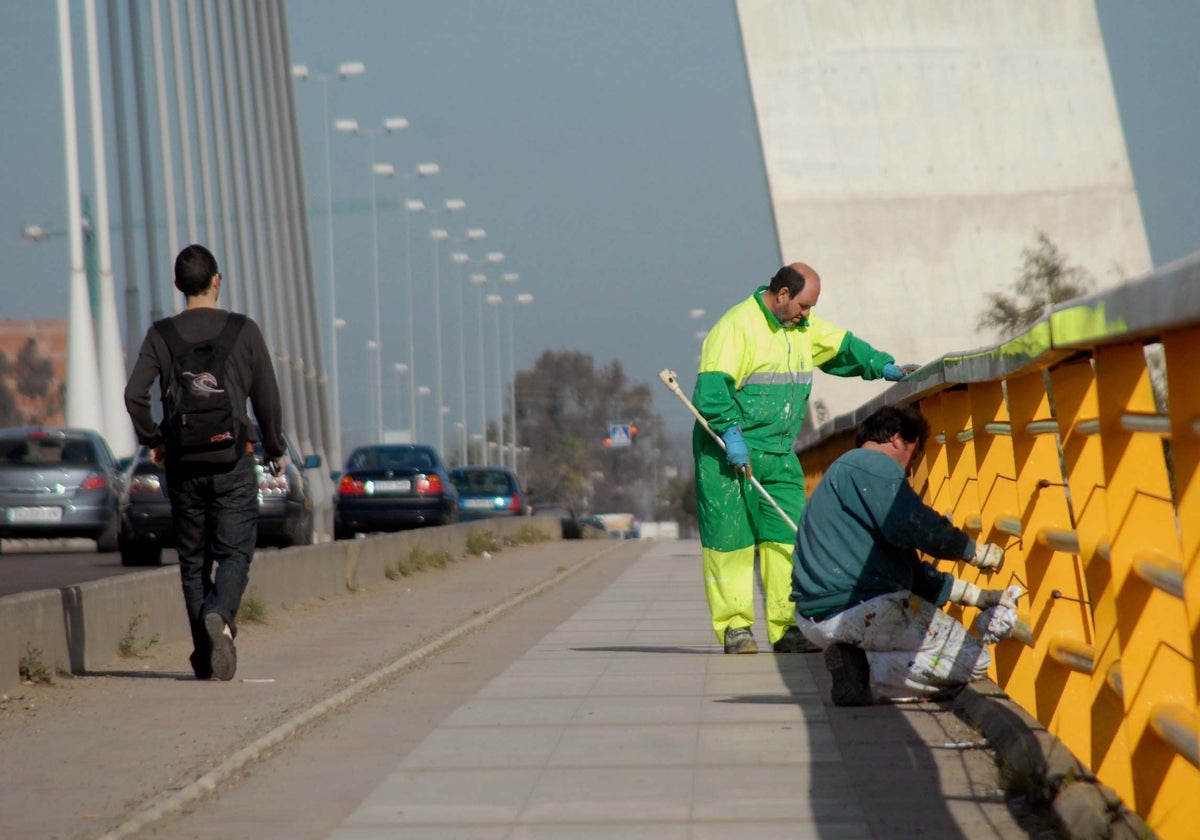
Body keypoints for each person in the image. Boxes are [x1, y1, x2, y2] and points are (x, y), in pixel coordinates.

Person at [692, 262, 917, 655]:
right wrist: (731, 435)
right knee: (730, 541)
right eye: (803, 305)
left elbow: (842, 346)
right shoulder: (736, 328)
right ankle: (735, 628)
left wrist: (882, 365)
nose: (807, 314)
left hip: (778, 452)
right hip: (726, 450)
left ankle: (786, 628)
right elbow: (711, 390)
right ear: (782, 295)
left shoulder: (801, 329)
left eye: (810, 307)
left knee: (786, 540)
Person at [124, 244, 285, 681]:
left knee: (193, 561)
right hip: (232, 460)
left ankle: (205, 653)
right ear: (217, 281)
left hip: (183, 465)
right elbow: (267, 398)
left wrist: (154, 440)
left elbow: (134, 395)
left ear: (179, 286)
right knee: (235, 552)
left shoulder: (161, 334)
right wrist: (274, 449)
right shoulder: (243, 330)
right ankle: (221, 619)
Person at [789, 404, 1012, 705]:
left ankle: (855, 660)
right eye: (914, 455)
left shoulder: (844, 472)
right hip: (859, 609)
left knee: (915, 629)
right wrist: (973, 551)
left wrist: (977, 596)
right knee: (972, 659)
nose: (909, 470)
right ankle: (866, 673)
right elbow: (914, 524)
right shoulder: (873, 466)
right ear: (896, 439)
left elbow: (906, 569)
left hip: (814, 616)